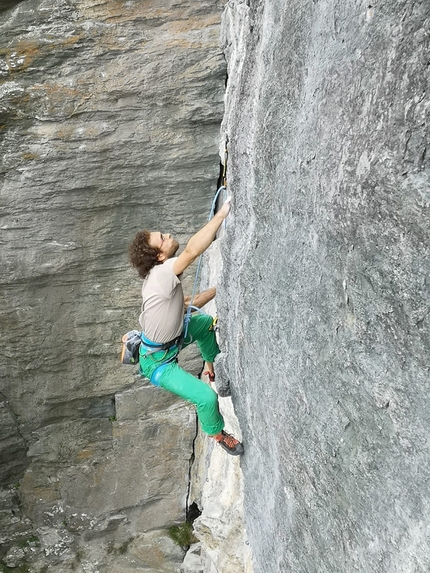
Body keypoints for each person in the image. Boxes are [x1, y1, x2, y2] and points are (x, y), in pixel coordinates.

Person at [128, 198, 243, 456]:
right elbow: (192, 251)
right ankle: (217, 434)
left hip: (171, 340)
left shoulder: (159, 279)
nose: (168, 235)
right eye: (162, 238)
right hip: (158, 363)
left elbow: (191, 303)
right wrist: (222, 214)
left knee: (202, 324)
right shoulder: (161, 274)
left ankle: (210, 367)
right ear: (159, 255)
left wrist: (220, 289)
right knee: (206, 398)